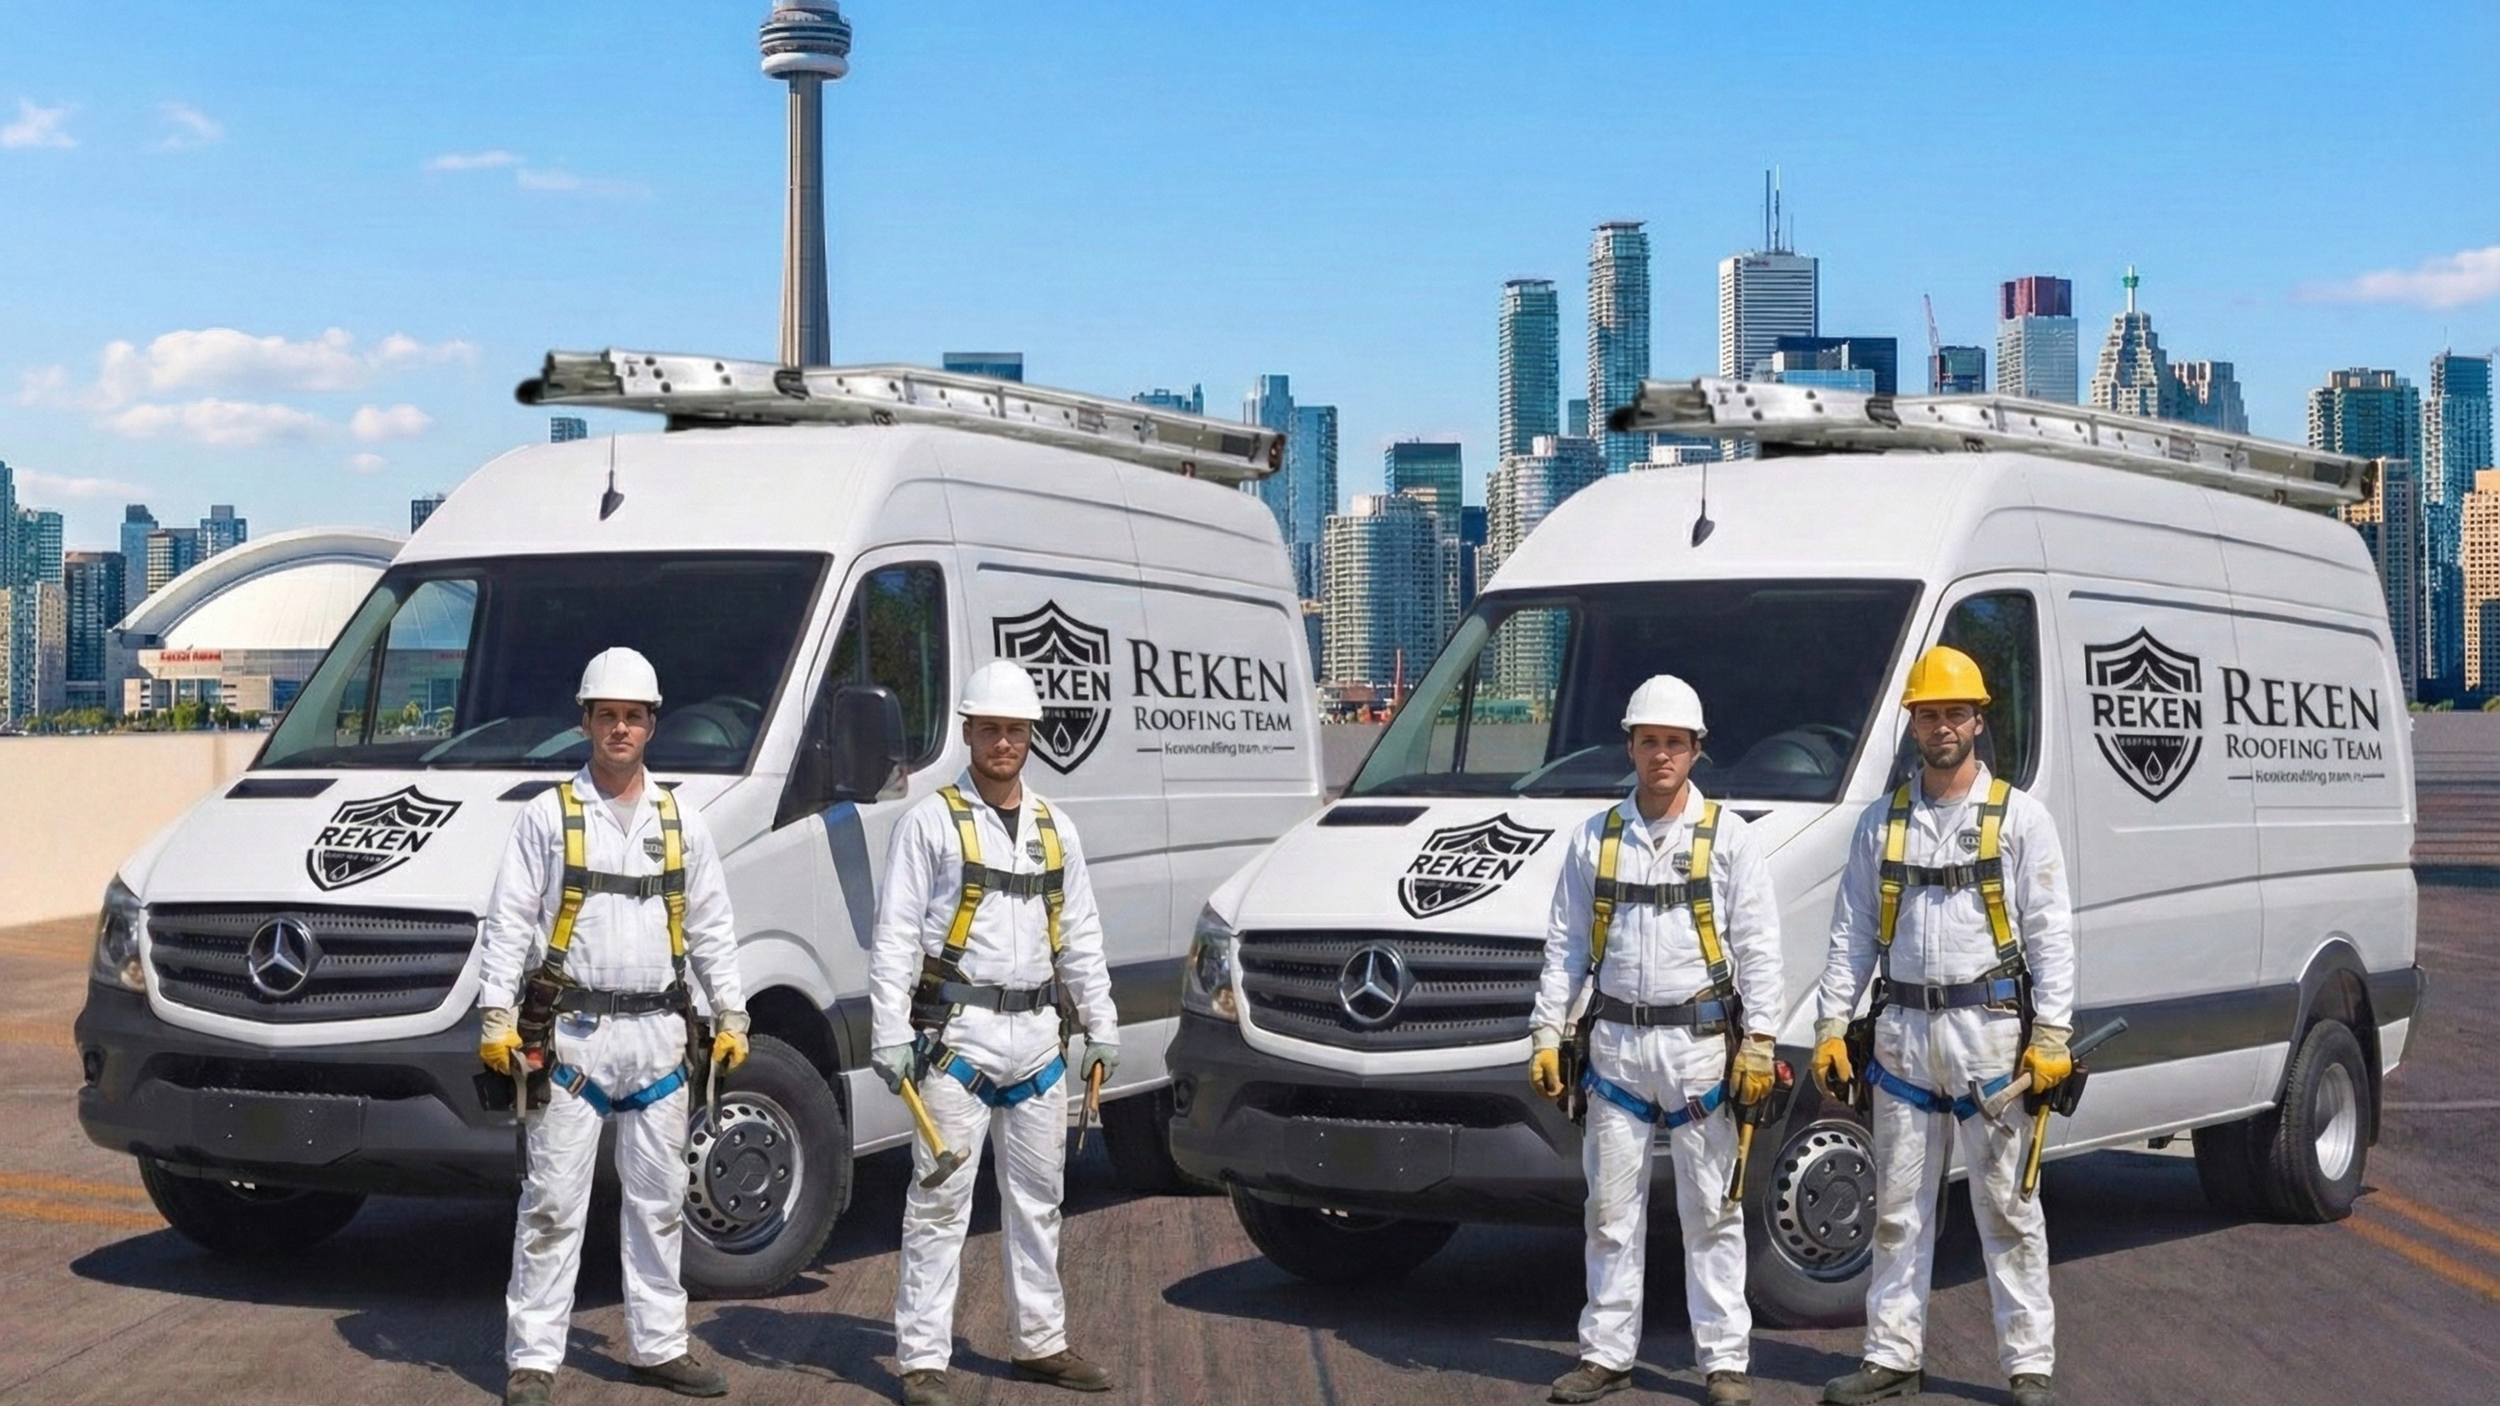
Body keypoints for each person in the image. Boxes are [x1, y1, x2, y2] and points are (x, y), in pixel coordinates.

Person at [477, 647, 750, 1406]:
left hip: (659, 1037)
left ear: (652, 724)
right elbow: (509, 921)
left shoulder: (682, 823)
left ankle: (660, 1346)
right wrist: (496, 1013)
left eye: (633, 716)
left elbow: (712, 928)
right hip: (574, 1038)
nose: (620, 729)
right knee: (553, 1204)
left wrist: (732, 1010)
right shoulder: (549, 816)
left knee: (660, 1201)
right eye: (608, 717)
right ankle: (533, 1358)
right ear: (586, 722)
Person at [1810, 646, 2076, 1406]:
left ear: (1978, 720)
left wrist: (2051, 1034)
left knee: (2008, 1210)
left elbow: (2052, 932)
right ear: (1914, 726)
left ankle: (2029, 1367)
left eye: (1954, 713)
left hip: (1991, 1039)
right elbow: (1852, 932)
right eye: (1929, 714)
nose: (1941, 726)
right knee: (1896, 1211)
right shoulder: (1882, 825)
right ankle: (1893, 1357)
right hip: (1900, 1038)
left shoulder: (2020, 820)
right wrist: (1834, 1024)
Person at [867, 660, 1121, 1406]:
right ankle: (922, 1358)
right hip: (958, 1041)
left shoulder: (1054, 829)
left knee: (1041, 1200)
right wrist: (889, 1032)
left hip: (1038, 1042)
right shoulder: (929, 823)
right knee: (940, 1201)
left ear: (1030, 738)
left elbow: (1079, 934)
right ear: (969, 733)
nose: (1003, 742)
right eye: (991, 730)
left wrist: (1100, 1024)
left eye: (1015, 731)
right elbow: (895, 936)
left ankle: (1040, 1342)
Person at [1529, 675, 1783, 1406]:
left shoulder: (1729, 840)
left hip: (1701, 1048)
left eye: (1675, 743)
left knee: (1712, 1210)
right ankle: (1605, 1354)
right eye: (1649, 742)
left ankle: (1725, 1361)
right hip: (1614, 1050)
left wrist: (1760, 1041)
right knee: (1609, 1212)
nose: (1661, 756)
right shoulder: (1596, 840)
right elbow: (1565, 945)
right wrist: (1548, 1032)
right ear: (1631, 746)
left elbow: (1760, 948)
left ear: (1697, 751)